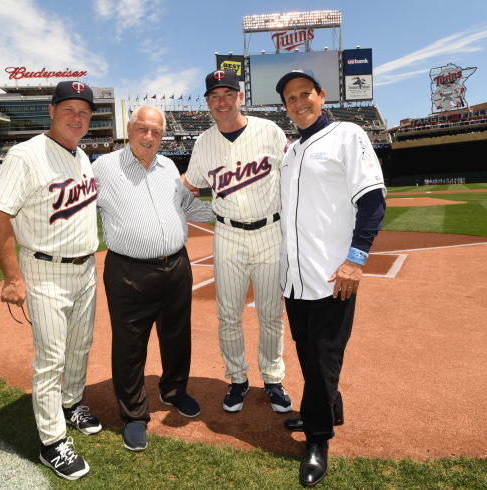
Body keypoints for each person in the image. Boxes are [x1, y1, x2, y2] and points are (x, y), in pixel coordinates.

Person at [0, 81, 102, 481]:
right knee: (50, 359)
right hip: (45, 270)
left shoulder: (82, 156)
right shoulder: (26, 155)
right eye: (69, 109)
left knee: (80, 345)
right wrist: (11, 278)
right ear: (51, 111)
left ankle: (70, 405)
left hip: (85, 267)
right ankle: (52, 443)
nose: (77, 117)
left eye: (84, 112)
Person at [275, 69, 386, 486]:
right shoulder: (291, 151)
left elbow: (373, 202)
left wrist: (355, 260)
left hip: (333, 276)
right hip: (295, 279)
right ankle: (328, 406)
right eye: (290, 98)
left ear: (322, 96)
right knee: (307, 351)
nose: (299, 102)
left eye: (306, 94)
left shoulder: (347, 135)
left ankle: (318, 439)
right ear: (284, 107)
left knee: (323, 357)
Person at [94, 106, 215, 452]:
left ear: (163, 136)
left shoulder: (169, 167)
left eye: (156, 132)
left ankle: (174, 390)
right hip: (129, 270)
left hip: (175, 266)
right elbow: (79, 208)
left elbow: (188, 209)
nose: (149, 137)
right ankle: (134, 415)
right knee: (130, 344)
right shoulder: (103, 167)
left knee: (177, 334)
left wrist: (228, 208)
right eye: (142, 129)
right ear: (128, 129)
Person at [181, 70, 291, 414]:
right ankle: (237, 379)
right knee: (228, 315)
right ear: (208, 103)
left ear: (240, 97)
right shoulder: (203, 143)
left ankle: (273, 379)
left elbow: (295, 173)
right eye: (214, 96)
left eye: (228, 94)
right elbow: (191, 182)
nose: (222, 101)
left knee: (271, 314)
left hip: (270, 232)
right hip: (227, 234)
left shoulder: (269, 131)